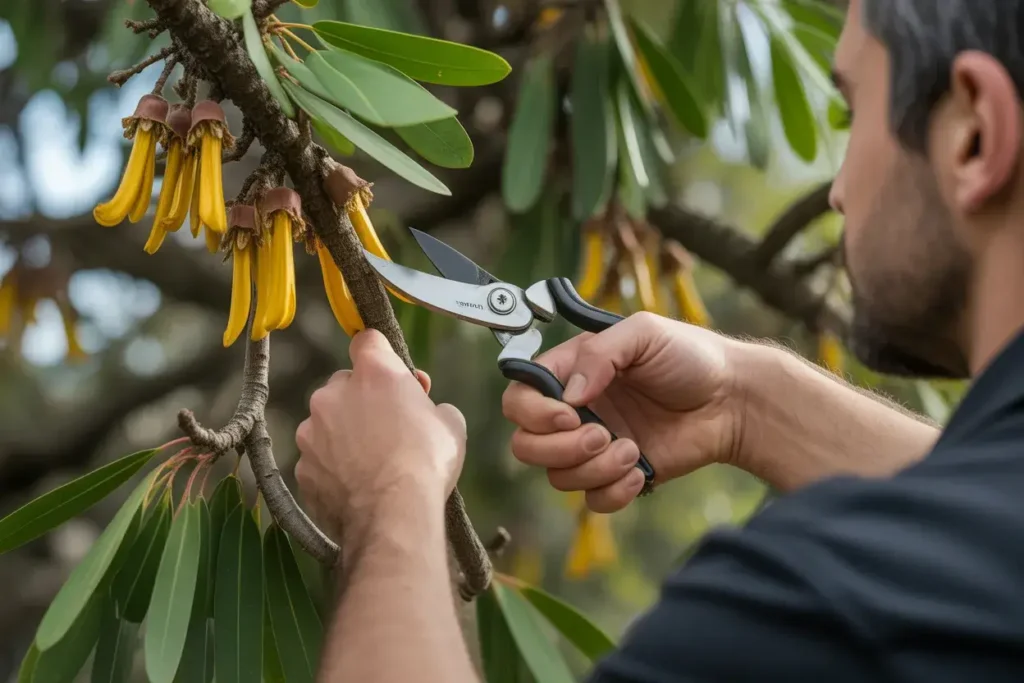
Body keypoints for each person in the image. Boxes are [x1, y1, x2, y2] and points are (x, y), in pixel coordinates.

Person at [293, 0, 1024, 680]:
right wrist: (744, 401)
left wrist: (389, 494)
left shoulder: (815, 601)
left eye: (852, 108)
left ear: (974, 135)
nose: (836, 190)